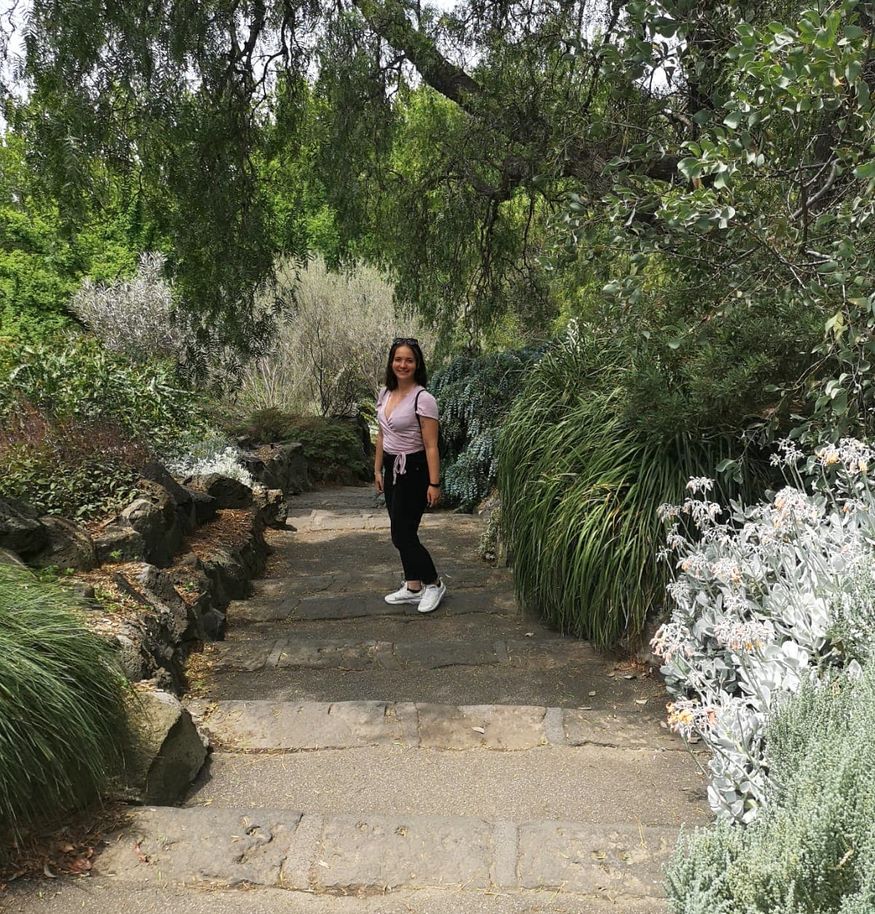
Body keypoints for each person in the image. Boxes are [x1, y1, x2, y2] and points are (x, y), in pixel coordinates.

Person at [374, 337, 446, 613]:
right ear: (391, 362)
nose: (403, 365)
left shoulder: (423, 399)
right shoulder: (385, 393)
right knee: (401, 530)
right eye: (398, 359)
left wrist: (434, 483)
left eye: (409, 360)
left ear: (417, 365)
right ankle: (413, 586)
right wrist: (377, 469)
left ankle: (434, 583)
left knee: (402, 534)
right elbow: (381, 435)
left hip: (414, 470)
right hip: (391, 467)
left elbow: (431, 445)